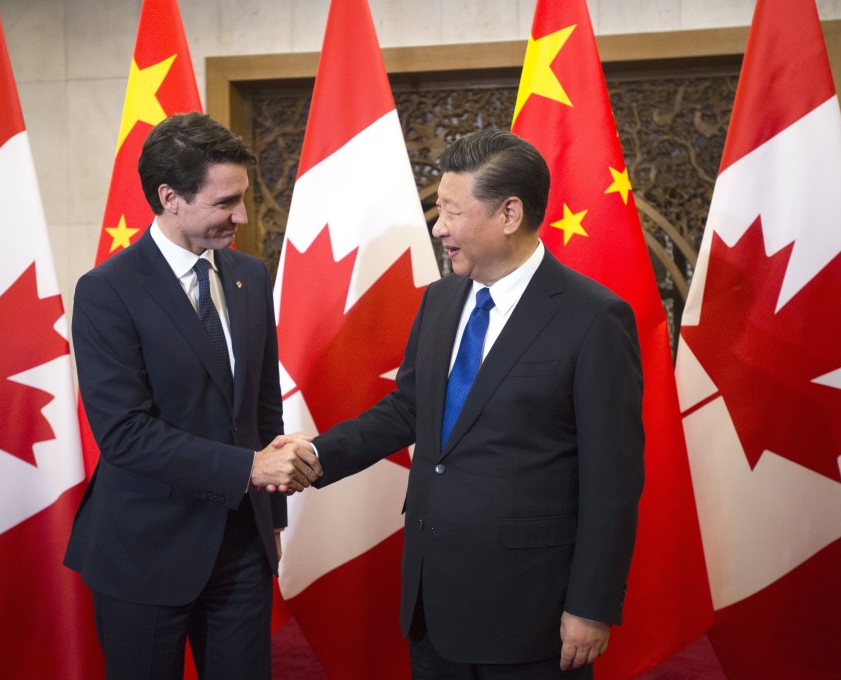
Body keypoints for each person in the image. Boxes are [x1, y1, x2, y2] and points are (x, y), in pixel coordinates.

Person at [308, 128, 644, 678]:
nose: (438, 227)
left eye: (452, 211)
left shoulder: (594, 317)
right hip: (431, 600)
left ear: (509, 213)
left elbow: (613, 478)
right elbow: (410, 408)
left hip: (529, 609)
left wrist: (592, 605)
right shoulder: (441, 300)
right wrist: (317, 455)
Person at [65, 112, 323, 680]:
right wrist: (249, 468)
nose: (243, 216)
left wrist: (272, 517)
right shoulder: (107, 291)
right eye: (225, 202)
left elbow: (262, 408)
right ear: (170, 198)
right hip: (145, 548)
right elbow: (124, 433)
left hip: (242, 545)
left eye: (243, 198)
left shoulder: (250, 276)